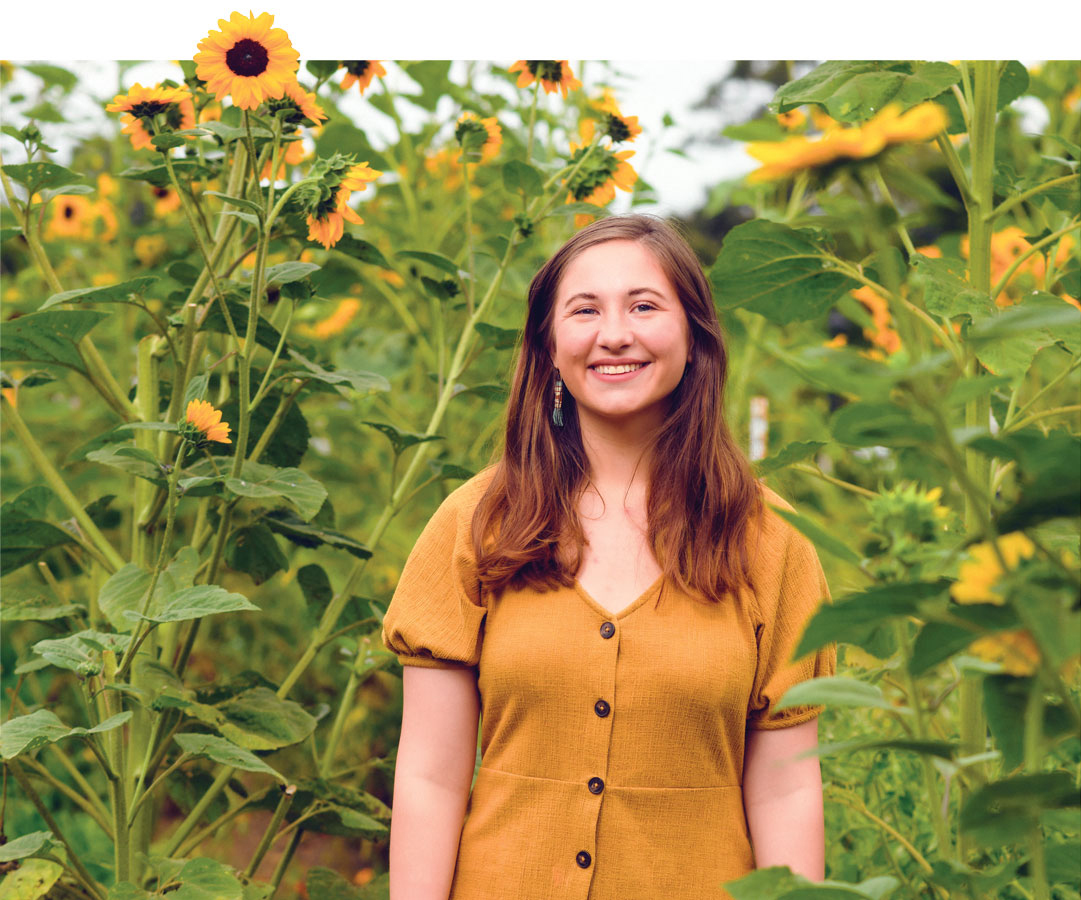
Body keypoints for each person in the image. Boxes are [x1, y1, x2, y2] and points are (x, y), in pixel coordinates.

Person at [381, 214, 836, 899]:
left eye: (644, 306)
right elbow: (429, 777)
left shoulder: (773, 541)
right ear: (548, 348)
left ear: (694, 338)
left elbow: (785, 792)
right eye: (584, 310)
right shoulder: (475, 525)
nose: (614, 334)